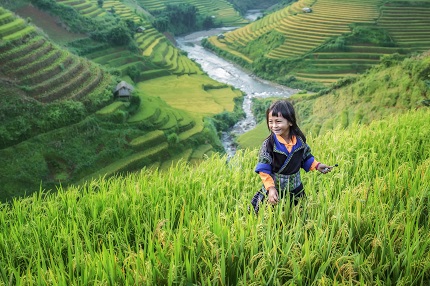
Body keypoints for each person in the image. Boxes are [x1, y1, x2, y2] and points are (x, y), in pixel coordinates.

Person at [250, 100, 333, 214]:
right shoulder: (269, 144)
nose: (274, 126)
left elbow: (306, 157)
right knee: (272, 215)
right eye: (271, 122)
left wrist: (317, 165)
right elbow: (264, 170)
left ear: (290, 122)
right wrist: (271, 188)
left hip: (296, 188)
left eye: (278, 121)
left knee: (298, 214)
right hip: (276, 189)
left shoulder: (299, 141)